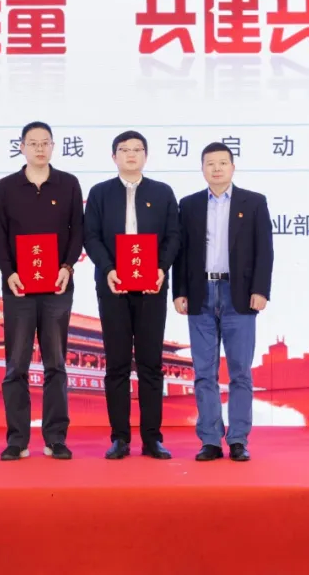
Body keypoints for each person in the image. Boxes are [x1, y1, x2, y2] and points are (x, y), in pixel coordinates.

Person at [172, 142, 273, 462]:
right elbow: (181, 252)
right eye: (210, 163)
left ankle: (239, 439)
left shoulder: (253, 202)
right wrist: (179, 291)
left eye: (222, 163)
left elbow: (264, 250)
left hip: (239, 295)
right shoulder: (189, 205)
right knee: (204, 372)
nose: (216, 169)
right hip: (200, 293)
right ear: (202, 169)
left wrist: (261, 290)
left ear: (232, 167)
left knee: (240, 371)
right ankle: (211, 440)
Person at [83, 130, 180, 460]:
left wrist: (161, 268)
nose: (131, 154)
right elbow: (91, 236)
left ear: (146, 156)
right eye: (124, 149)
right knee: (117, 364)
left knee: (151, 364)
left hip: (152, 287)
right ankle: (120, 437)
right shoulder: (100, 193)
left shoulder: (162, 192)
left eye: (137, 149)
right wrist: (109, 268)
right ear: (114, 157)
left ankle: (152, 438)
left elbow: (174, 236)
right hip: (113, 287)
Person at [0, 121, 84, 461]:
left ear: (53, 146)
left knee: (55, 363)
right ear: (21, 147)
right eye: (33, 143)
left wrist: (67, 267)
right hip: (18, 287)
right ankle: (17, 439)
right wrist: (9, 273)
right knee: (15, 364)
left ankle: (56, 438)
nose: (40, 148)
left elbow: (78, 231)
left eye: (46, 142)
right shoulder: (6, 187)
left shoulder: (68, 183)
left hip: (57, 286)